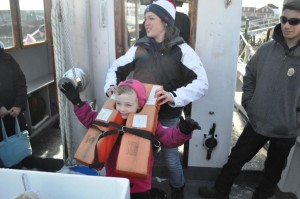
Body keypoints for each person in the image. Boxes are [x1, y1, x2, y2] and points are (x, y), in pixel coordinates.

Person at [104, 1, 208, 198]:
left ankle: (178, 190)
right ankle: (145, 191)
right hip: (140, 114)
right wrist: (110, 87)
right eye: (145, 19)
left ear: (165, 21)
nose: (146, 23)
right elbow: (115, 68)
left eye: (151, 18)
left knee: (170, 158)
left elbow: (202, 83)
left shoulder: (183, 50)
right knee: (139, 155)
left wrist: (173, 96)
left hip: (168, 115)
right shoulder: (139, 48)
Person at [198, 0, 300, 199]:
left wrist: (296, 120)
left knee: (273, 170)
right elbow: (250, 75)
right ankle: (219, 191)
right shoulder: (266, 49)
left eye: (294, 21)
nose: (287, 25)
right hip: (258, 120)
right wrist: (249, 103)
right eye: (284, 19)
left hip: (287, 128)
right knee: (236, 159)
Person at [60, 79, 201, 199]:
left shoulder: (150, 124)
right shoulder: (109, 119)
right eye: (119, 104)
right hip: (114, 181)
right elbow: (90, 118)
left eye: (128, 105)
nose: (122, 109)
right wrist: (77, 102)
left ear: (140, 104)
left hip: (140, 187)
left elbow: (168, 138)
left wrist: (183, 130)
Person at [0, 47, 28, 168]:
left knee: (20, 156)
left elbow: (21, 83)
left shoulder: (7, 58)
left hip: (13, 115)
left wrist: (18, 105)